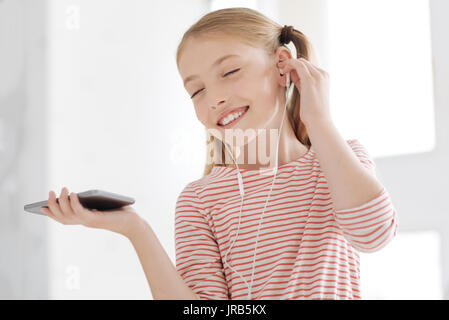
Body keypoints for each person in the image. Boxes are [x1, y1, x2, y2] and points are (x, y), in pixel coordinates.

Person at [41, 7, 398, 300]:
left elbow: (374, 234)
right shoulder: (200, 200)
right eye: (196, 91)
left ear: (282, 64)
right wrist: (136, 229)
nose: (214, 99)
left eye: (229, 71)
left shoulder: (339, 160)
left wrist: (318, 119)